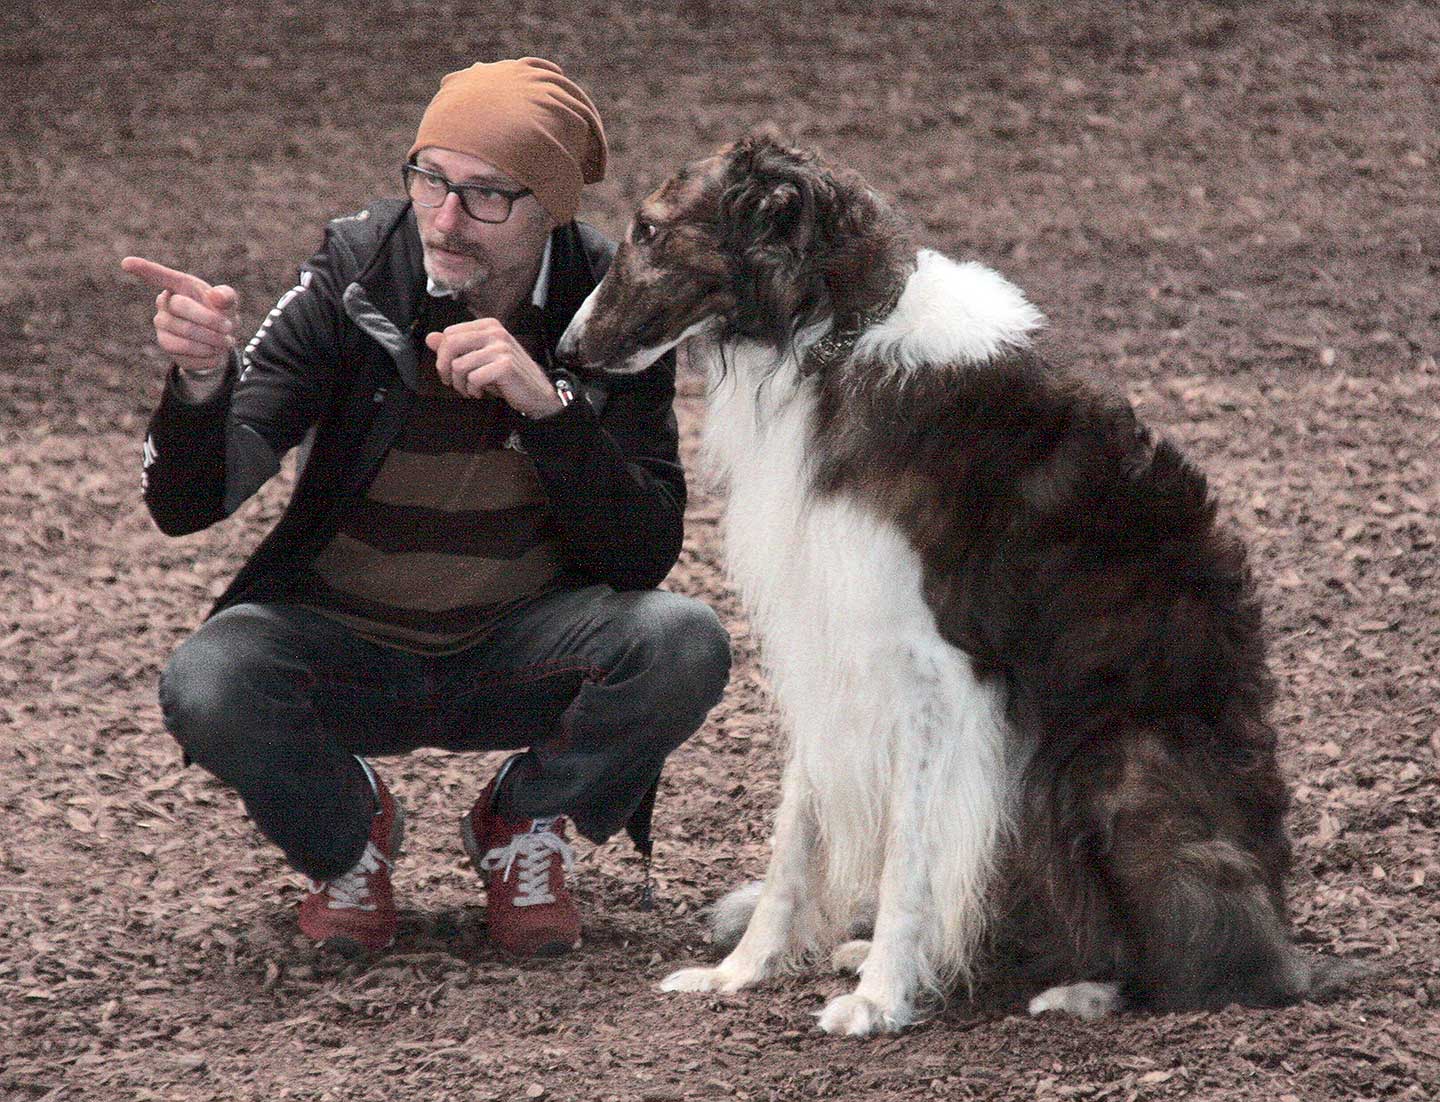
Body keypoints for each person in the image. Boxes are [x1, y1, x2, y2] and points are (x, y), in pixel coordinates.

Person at [121, 57, 731, 959]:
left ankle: (523, 824)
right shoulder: (354, 275)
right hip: (343, 644)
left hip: (523, 645)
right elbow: (189, 503)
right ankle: (348, 839)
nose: (445, 219)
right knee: (210, 680)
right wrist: (205, 384)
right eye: (430, 179)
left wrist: (548, 410)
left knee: (683, 642)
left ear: (552, 208)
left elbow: (644, 554)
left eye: (487, 195)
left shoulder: (607, 308)